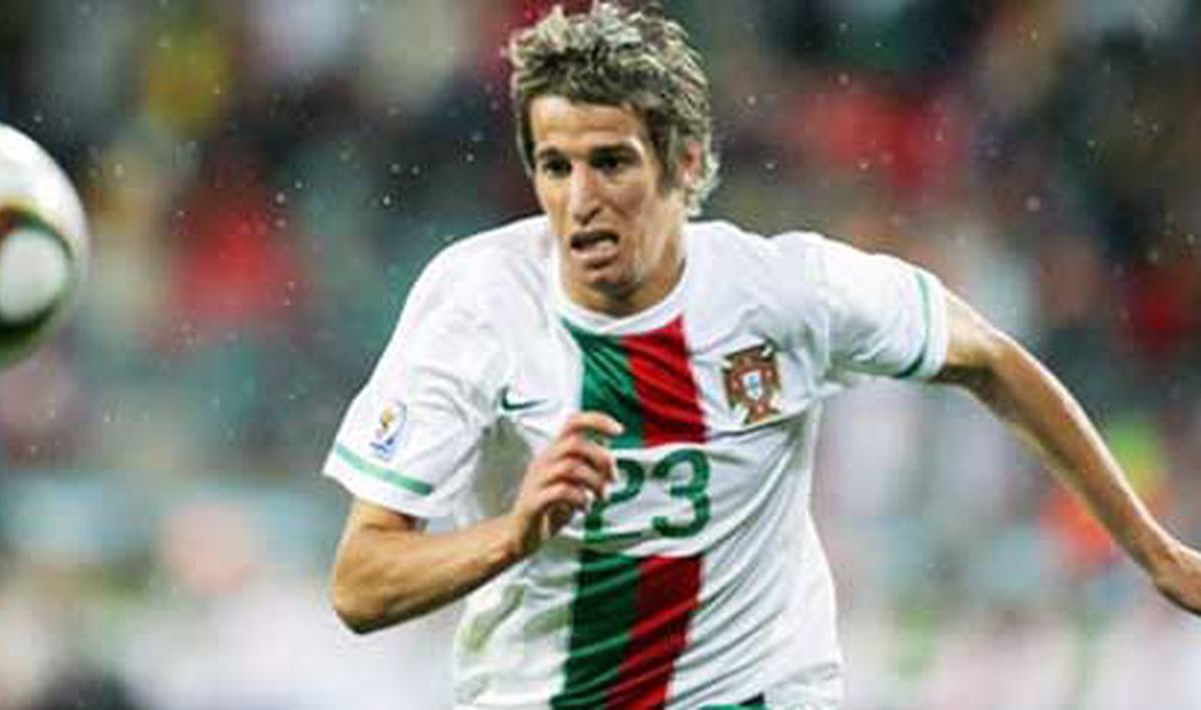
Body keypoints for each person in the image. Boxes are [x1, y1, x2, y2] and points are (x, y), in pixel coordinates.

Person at [322, 3, 1201, 708]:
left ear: (685, 162)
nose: (580, 200)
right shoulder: (476, 304)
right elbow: (361, 585)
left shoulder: (785, 291)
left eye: (612, 162)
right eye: (554, 166)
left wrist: (1157, 555)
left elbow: (990, 358)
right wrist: (511, 535)